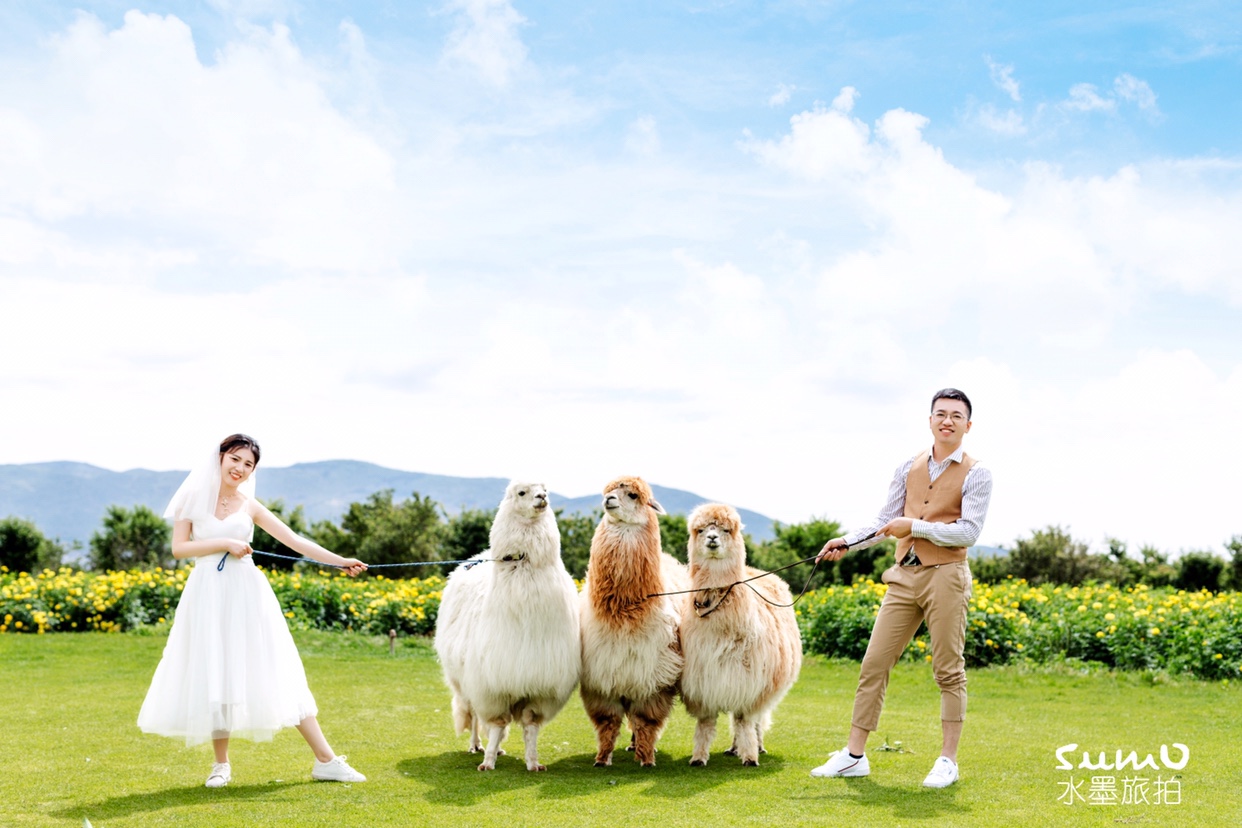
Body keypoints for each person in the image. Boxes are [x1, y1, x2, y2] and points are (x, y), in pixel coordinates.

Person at [137, 434, 369, 788]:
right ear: (220, 458)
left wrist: (340, 562)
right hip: (208, 593)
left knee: (277, 666)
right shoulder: (191, 498)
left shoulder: (249, 505)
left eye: (248, 464)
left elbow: (294, 540)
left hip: (247, 593)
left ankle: (326, 760)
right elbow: (179, 548)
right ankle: (220, 765)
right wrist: (225, 543)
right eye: (235, 459)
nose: (240, 468)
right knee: (216, 670)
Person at [810, 389, 993, 789]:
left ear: (968, 425)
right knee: (873, 663)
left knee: (948, 670)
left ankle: (947, 761)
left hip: (947, 575)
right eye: (940, 414)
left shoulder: (978, 473)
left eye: (956, 415)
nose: (947, 421)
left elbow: (969, 532)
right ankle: (854, 756)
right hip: (903, 575)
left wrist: (915, 527)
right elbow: (885, 522)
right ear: (930, 420)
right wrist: (847, 542)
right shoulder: (908, 467)